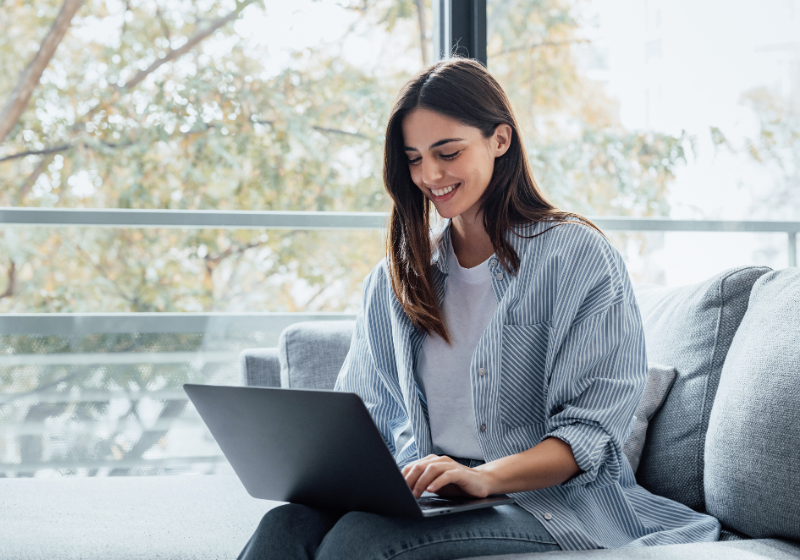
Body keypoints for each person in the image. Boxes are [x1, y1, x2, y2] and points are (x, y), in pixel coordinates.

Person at [238, 58, 720, 560]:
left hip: (547, 501)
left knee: (358, 542)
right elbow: (366, 416)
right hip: (430, 495)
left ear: (500, 140)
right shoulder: (395, 277)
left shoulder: (576, 256)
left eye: (448, 152)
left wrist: (483, 477)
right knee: (284, 525)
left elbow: (590, 432)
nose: (430, 175)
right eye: (415, 158)